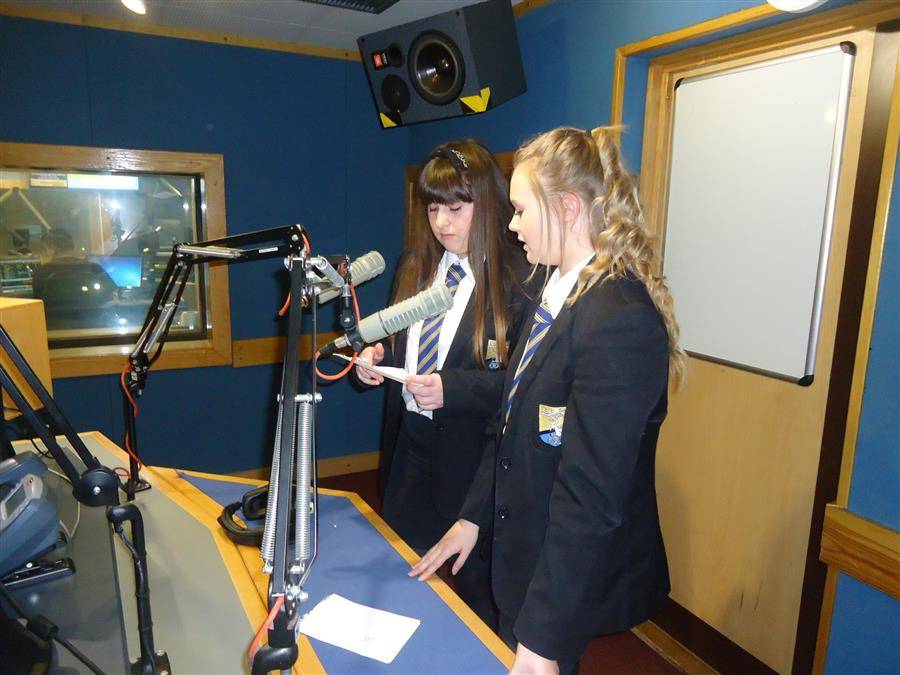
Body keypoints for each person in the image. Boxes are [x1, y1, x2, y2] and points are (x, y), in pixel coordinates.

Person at [410, 126, 686, 674]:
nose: (511, 226)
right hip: (523, 544)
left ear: (567, 209)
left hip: (563, 574)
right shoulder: (548, 289)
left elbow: (590, 496)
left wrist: (540, 638)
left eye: (519, 211)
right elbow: (511, 422)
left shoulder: (619, 319)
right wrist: (473, 518)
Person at [355, 139, 533, 629]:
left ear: (488, 203)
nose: (442, 223)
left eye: (456, 208)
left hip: (476, 463)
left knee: (478, 601)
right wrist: (377, 357)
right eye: (433, 208)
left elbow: (527, 386)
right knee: (399, 579)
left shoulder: (521, 279)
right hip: (411, 451)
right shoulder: (414, 265)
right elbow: (403, 343)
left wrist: (453, 389)